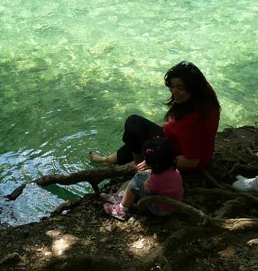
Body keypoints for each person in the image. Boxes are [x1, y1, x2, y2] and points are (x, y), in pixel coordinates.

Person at [89, 61, 220, 171]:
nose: (174, 92)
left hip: (181, 161)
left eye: (180, 88)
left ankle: (137, 167)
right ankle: (108, 160)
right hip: (178, 144)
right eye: (172, 86)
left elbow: (192, 161)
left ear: (194, 88)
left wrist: (154, 162)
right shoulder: (206, 96)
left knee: (133, 123)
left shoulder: (193, 121)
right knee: (137, 132)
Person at [102, 138, 184, 220]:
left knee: (137, 180)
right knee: (142, 176)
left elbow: (147, 190)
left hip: (161, 210)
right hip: (173, 204)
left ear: (153, 164)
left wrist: (144, 180)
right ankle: (123, 196)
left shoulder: (155, 179)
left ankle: (121, 210)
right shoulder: (174, 171)